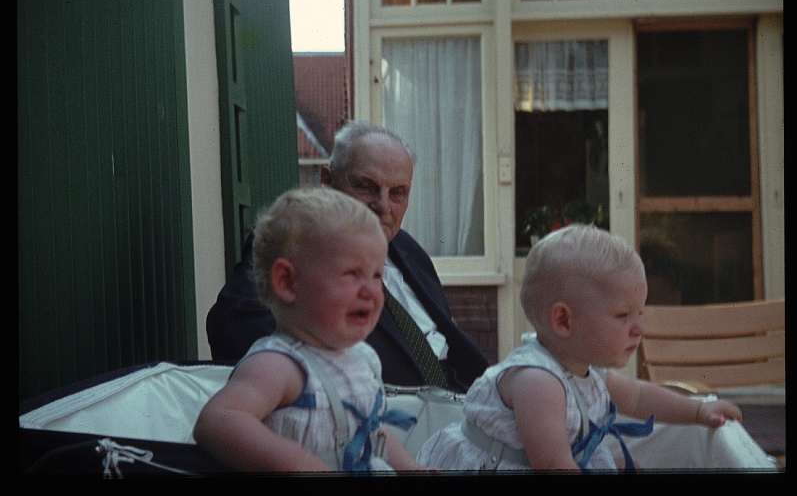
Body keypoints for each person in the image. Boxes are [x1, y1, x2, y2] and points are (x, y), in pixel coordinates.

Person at [416, 224, 743, 472]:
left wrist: (698, 411)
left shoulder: (585, 367)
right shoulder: (538, 381)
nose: (639, 328)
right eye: (622, 315)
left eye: (639, 313)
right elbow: (554, 466)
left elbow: (640, 397)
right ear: (563, 322)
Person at [206, 120, 489, 393]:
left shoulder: (408, 249)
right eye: (366, 186)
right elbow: (236, 326)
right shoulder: (296, 243)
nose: (382, 205)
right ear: (328, 181)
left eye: (398, 193)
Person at [193, 187, 428, 472]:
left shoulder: (361, 358)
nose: (370, 290)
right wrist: (299, 463)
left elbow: (371, 430)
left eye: (377, 275)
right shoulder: (278, 365)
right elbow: (217, 420)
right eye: (351, 273)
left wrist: (412, 468)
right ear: (288, 283)